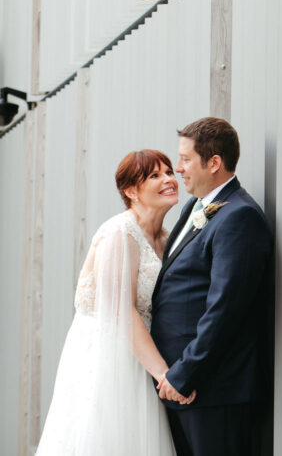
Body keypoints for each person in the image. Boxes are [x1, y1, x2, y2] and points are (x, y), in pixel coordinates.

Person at [37, 149, 194, 455]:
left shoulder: (167, 237)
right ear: (130, 191)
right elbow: (122, 313)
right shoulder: (118, 234)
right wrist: (166, 375)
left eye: (167, 172)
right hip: (111, 357)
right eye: (154, 175)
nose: (168, 179)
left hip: (143, 351)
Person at [150, 117, 273, 456]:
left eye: (186, 159)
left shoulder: (239, 217)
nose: (178, 169)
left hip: (214, 390)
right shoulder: (195, 206)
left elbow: (225, 310)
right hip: (182, 386)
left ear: (214, 162)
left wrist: (185, 374)